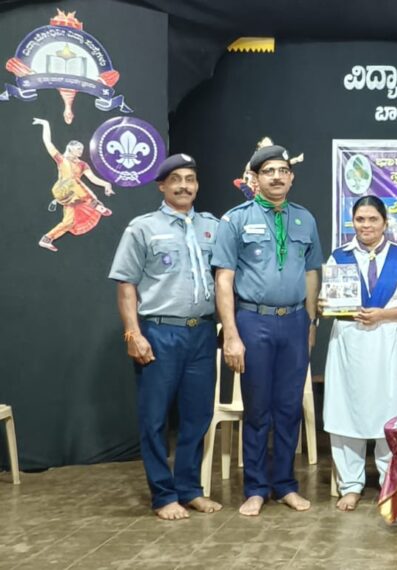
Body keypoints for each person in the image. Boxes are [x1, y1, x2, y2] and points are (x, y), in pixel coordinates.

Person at [108, 154, 222, 520]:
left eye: (190, 179)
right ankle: (162, 495)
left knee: (197, 416)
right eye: (176, 179)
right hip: (159, 332)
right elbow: (126, 285)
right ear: (162, 186)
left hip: (202, 332)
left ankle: (189, 490)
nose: (184, 186)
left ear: (196, 185)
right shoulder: (142, 228)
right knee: (155, 418)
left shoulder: (213, 227)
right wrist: (132, 332)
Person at [211, 144, 323, 516]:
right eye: (268, 171)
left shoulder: (305, 219)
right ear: (255, 178)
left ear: (291, 178)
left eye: (282, 171)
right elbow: (224, 280)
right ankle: (256, 488)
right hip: (253, 321)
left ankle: (286, 485)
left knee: (289, 408)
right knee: (258, 409)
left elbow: (312, 274)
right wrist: (231, 334)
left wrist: (311, 323)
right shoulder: (236, 219)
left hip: (294, 322)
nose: (276, 177)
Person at [322, 195, 397, 512]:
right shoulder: (339, 257)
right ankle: (350, 486)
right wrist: (325, 305)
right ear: (353, 222)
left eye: (372, 219)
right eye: (360, 219)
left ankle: (390, 483)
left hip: (388, 343)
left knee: (390, 411)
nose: (366, 225)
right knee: (347, 411)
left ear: (384, 222)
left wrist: (383, 314)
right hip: (349, 344)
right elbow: (326, 302)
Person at [32, 117, 114, 252]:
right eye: (78, 149)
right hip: (63, 190)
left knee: (69, 222)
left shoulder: (82, 164)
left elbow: (92, 178)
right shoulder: (61, 159)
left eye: (82, 149)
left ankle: (47, 239)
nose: (80, 152)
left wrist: (106, 184)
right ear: (70, 148)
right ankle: (96, 205)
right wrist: (45, 124)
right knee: (73, 181)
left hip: (75, 197)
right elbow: (48, 142)